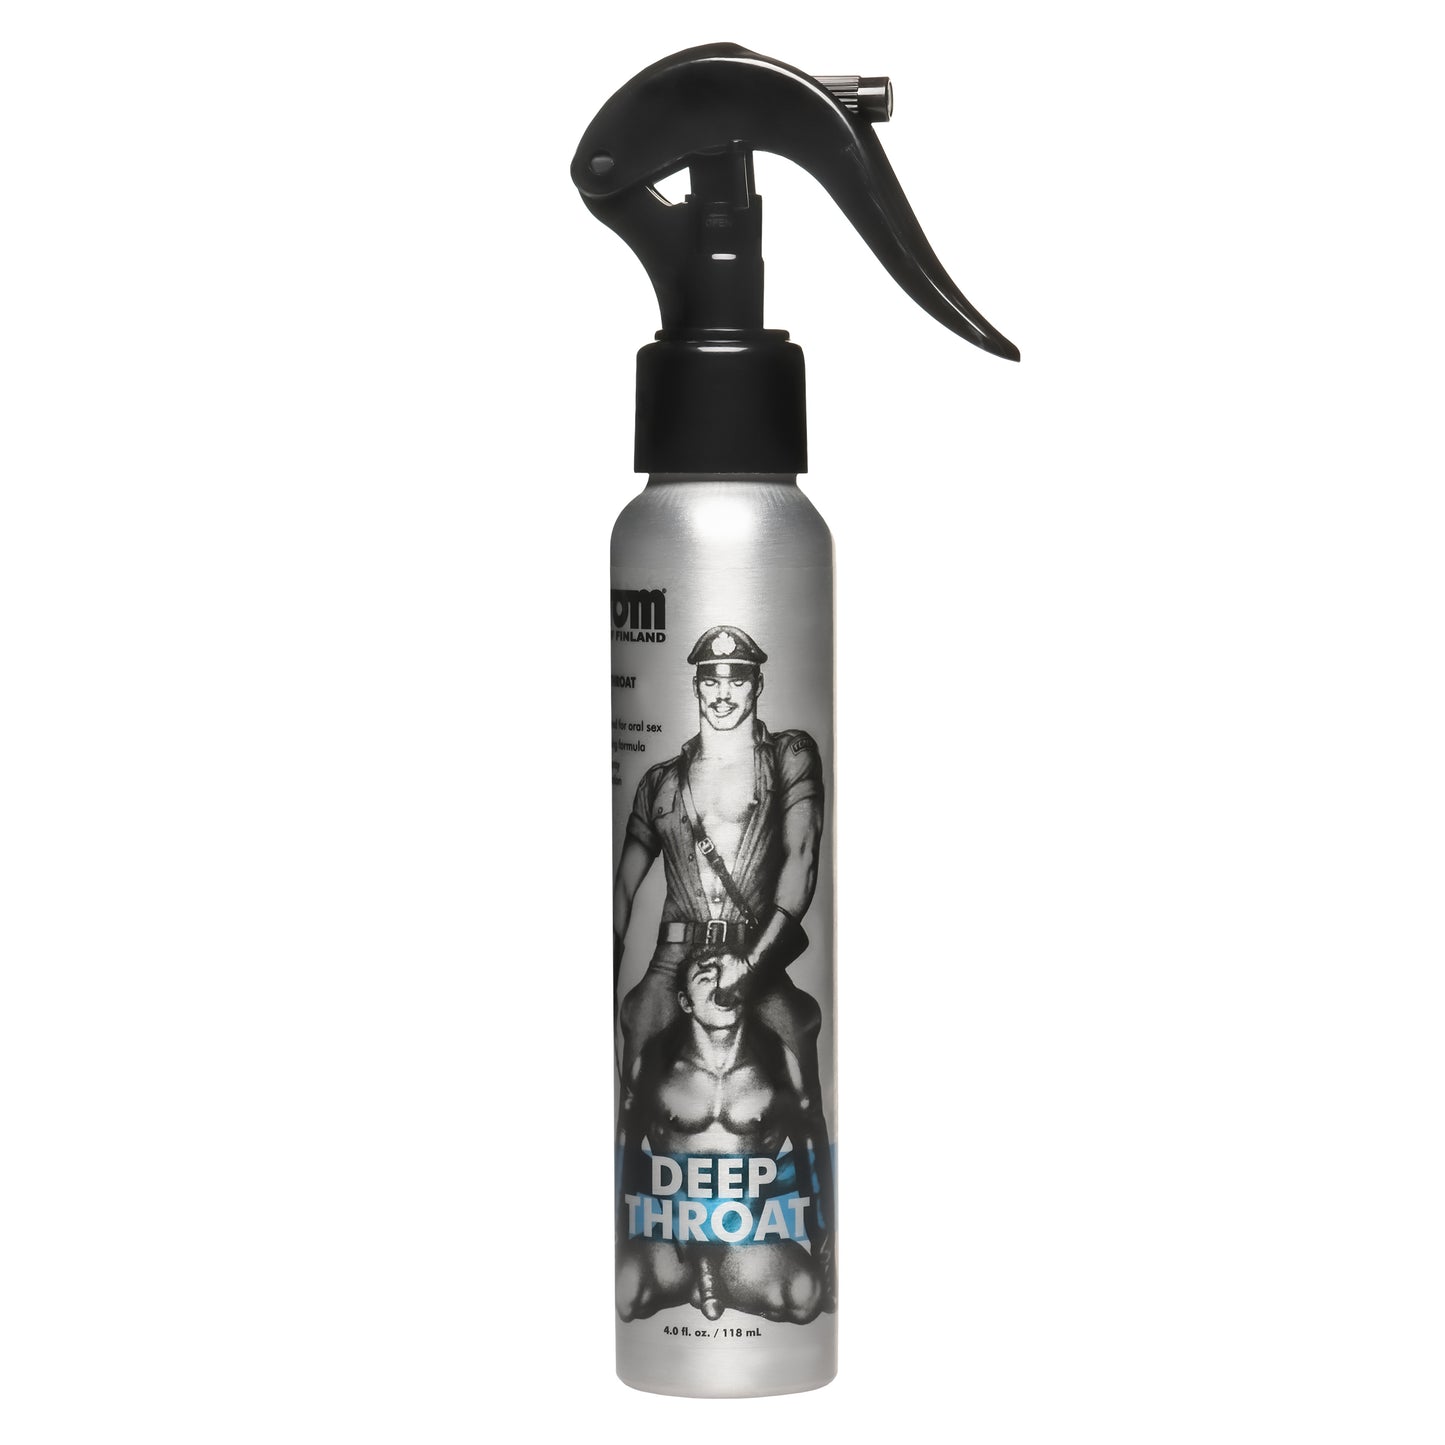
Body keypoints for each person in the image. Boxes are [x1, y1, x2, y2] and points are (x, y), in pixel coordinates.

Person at [612, 625, 835, 1305]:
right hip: (674, 954)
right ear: (696, 685)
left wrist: (754, 962)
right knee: (632, 1066)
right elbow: (623, 884)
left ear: (756, 684)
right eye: (711, 678)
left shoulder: (789, 756)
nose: (723, 690)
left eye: (737, 677)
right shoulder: (659, 782)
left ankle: (823, 1237)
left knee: (803, 1069)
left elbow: (801, 862)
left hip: (753, 946)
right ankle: (643, 1240)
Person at [616, 955, 827, 1325]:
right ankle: (700, 1273)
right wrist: (618, 1232)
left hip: (746, 1244)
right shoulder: (655, 1062)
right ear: (685, 1002)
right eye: (704, 978)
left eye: (727, 976)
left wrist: (824, 1238)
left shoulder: (778, 1062)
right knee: (627, 1294)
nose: (720, 986)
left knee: (804, 1298)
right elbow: (625, 1144)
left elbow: (810, 1138)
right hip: (673, 1240)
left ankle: (714, 1279)